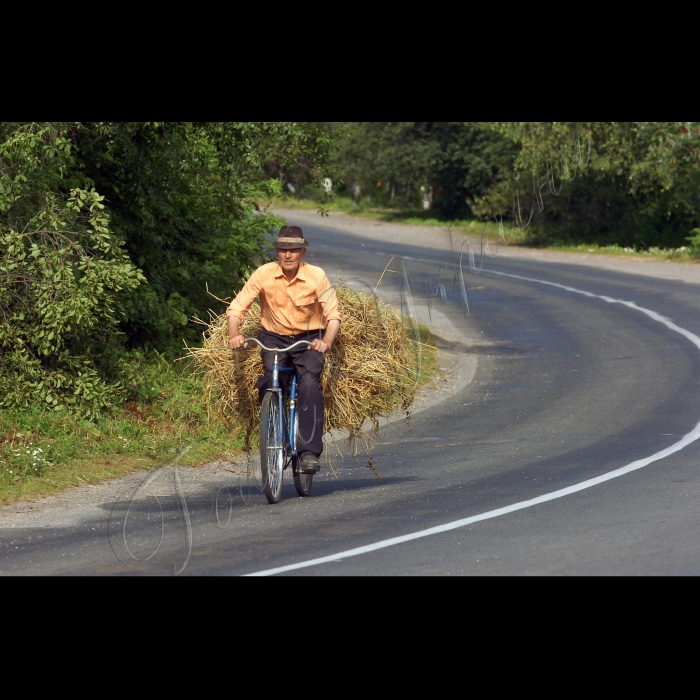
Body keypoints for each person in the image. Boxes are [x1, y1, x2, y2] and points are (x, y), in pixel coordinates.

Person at [227, 225, 341, 474]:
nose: (288, 255)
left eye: (294, 250)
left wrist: (326, 341)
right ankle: (272, 425)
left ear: (302, 251)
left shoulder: (316, 276)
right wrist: (234, 333)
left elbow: (333, 316)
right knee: (270, 379)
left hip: (308, 338)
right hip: (274, 337)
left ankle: (308, 452)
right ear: (277, 252)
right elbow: (237, 309)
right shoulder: (263, 273)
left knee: (308, 384)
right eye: (282, 250)